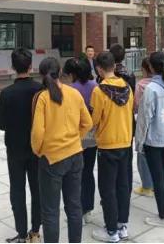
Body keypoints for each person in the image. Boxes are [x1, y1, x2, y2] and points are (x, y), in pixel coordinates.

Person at [31, 58, 93, 243]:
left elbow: (37, 132)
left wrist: (39, 150)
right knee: (74, 206)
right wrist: (75, 139)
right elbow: (88, 123)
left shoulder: (43, 98)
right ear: (60, 73)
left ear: (42, 75)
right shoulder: (74, 93)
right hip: (75, 155)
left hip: (52, 159)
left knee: (50, 211)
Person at [0, 49, 43, 243]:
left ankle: (22, 233)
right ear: (31, 66)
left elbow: (0, 123)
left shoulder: (7, 93)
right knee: (37, 189)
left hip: (15, 148)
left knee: (17, 189)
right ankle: (35, 232)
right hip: (37, 147)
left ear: (13, 67)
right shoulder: (40, 90)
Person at [135, 52, 164, 228]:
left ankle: (163, 216)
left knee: (158, 178)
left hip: (154, 140)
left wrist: (139, 142)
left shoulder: (151, 89)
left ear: (151, 67)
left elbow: (144, 119)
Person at [91, 52, 134, 243]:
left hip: (107, 145)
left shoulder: (99, 91)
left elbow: (93, 120)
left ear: (99, 69)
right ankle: (122, 225)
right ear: (114, 67)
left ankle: (111, 231)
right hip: (125, 142)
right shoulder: (128, 88)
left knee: (107, 188)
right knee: (123, 186)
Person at [67, 60, 98, 224]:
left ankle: (77, 211)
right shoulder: (96, 86)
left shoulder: (72, 89)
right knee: (88, 172)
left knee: (75, 175)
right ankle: (88, 209)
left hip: (77, 135)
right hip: (92, 136)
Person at [109, 43, 137, 194]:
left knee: (111, 161)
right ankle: (127, 188)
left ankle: (113, 190)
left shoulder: (108, 75)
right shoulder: (130, 74)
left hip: (112, 121)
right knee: (127, 159)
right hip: (127, 119)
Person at [133, 58, 154, 197]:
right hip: (159, 125)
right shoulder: (163, 83)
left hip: (144, 123)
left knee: (142, 154)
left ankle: (147, 186)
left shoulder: (141, 85)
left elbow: (136, 105)